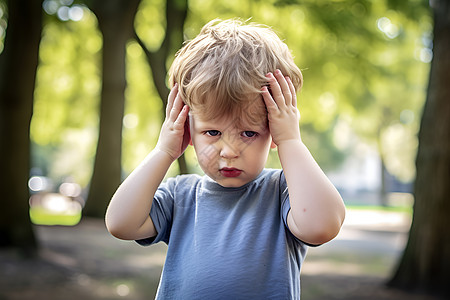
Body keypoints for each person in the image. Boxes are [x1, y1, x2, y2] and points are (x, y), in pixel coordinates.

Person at [105, 19, 345, 299]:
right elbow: (120, 223)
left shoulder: (283, 192)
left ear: (273, 131)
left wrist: (290, 141)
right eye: (213, 132)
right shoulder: (180, 195)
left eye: (248, 133)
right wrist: (164, 152)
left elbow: (322, 225)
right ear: (187, 130)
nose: (229, 150)